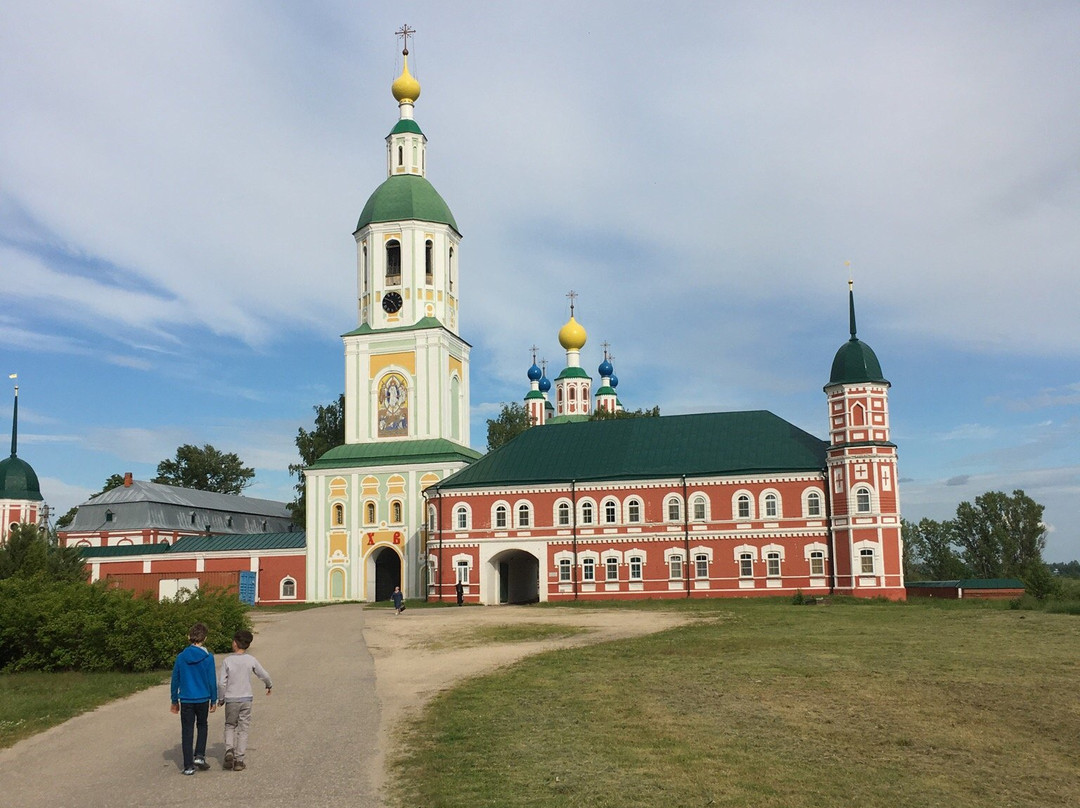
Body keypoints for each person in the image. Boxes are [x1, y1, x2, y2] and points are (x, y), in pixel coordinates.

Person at [217, 629, 273, 772]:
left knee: (230, 725)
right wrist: (268, 684)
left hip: (231, 699)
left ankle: (229, 750)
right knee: (243, 728)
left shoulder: (227, 660)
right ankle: (239, 760)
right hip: (246, 699)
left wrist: (221, 698)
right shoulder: (251, 660)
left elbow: (221, 683)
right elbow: (264, 674)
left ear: (235, 643)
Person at [170, 622, 218, 775]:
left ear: (188, 637)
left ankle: (188, 766)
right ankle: (199, 755)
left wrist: (174, 700)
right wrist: (214, 699)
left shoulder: (181, 657)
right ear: (205, 638)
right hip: (203, 698)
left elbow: (175, 679)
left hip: (186, 699)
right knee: (202, 725)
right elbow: (211, 679)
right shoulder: (208, 657)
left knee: (187, 730)